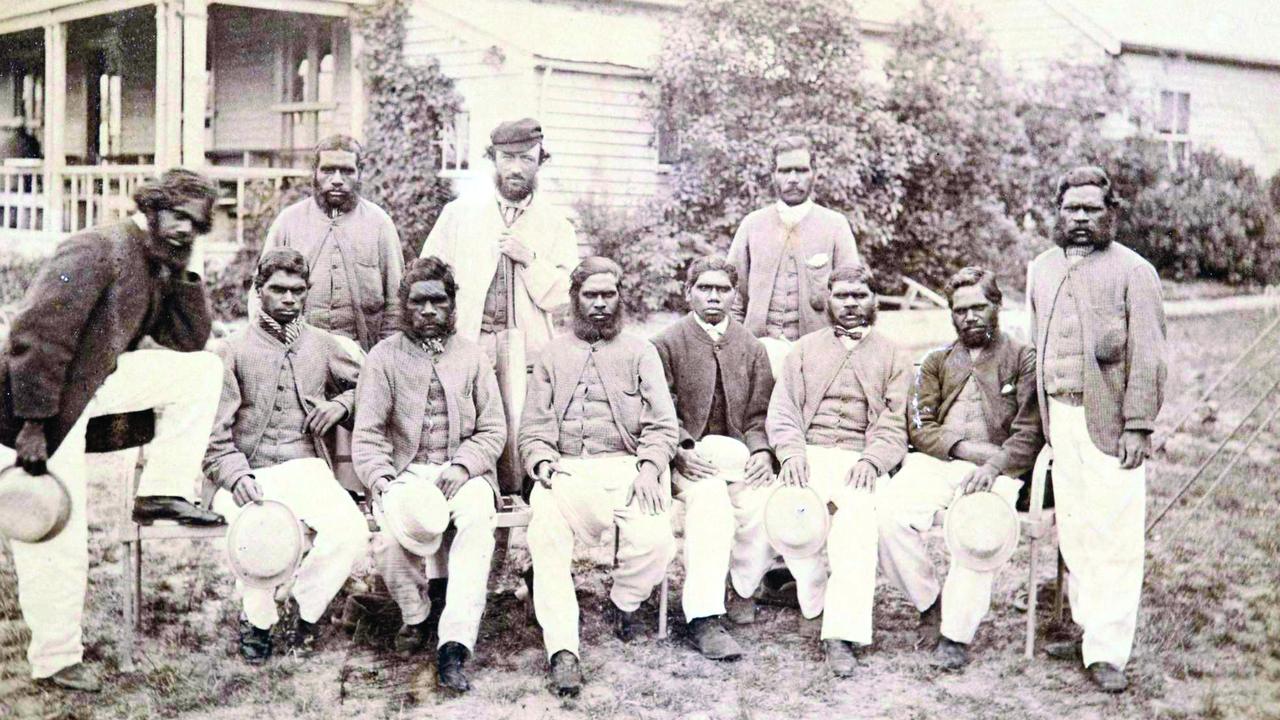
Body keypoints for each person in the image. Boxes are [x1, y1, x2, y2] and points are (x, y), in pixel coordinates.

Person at [0, 168, 226, 692]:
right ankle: (54, 658)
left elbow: (188, 343)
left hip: (87, 389)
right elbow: (36, 331)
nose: (186, 229)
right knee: (55, 531)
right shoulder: (98, 247)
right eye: (177, 215)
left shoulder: (158, 263)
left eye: (197, 223)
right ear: (151, 207)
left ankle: (162, 491)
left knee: (202, 371)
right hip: (34, 405)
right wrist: (35, 424)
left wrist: (185, 274)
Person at [1026, 166, 1166, 693]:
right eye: (1071, 209)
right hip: (1060, 418)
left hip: (1109, 421)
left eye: (1090, 209)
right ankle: (1087, 630)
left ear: (1111, 213)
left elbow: (1150, 355)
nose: (1080, 219)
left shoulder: (1135, 272)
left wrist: (1138, 425)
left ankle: (1108, 649)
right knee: (1079, 529)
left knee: (1115, 534)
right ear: (1058, 213)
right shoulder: (1041, 268)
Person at [519, 257, 679, 696]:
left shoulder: (640, 352)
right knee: (546, 535)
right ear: (575, 299)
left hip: (626, 467)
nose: (601, 304)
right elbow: (533, 426)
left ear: (620, 298)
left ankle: (622, 602)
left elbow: (664, 424)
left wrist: (649, 468)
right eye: (591, 295)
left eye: (609, 295)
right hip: (566, 470)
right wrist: (543, 463)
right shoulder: (551, 354)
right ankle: (563, 650)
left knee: (657, 540)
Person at [203, 248, 370, 665]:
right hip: (246, 469)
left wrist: (344, 405)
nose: (289, 299)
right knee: (261, 530)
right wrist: (235, 475)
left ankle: (305, 609)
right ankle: (257, 622)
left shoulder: (323, 345)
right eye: (278, 289)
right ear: (259, 291)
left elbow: (376, 385)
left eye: (298, 291)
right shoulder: (233, 349)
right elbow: (213, 435)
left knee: (351, 531)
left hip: (305, 467)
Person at [876, 266, 1043, 672]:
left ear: (997, 306)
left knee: (977, 528)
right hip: (939, 462)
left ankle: (956, 635)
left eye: (979, 307)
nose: (969, 317)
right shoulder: (936, 361)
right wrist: (967, 450)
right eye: (959, 309)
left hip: (999, 470)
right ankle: (929, 602)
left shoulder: (1023, 359)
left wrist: (997, 464)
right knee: (884, 514)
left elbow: (1031, 429)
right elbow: (919, 427)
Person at [352, 257, 505, 693]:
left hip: (462, 470)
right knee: (388, 534)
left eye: (439, 301)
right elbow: (368, 434)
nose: (429, 311)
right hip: (405, 471)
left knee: (478, 520)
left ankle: (454, 643)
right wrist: (381, 479)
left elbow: (493, 428)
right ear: (405, 306)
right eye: (419, 302)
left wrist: (464, 465)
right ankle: (416, 613)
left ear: (452, 304)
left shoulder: (471, 356)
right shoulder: (383, 359)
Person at [766, 264, 910, 678]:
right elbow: (783, 411)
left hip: (859, 457)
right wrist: (791, 454)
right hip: (808, 453)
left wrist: (872, 460)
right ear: (827, 301)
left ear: (874, 300)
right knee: (790, 517)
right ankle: (813, 599)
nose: (851, 304)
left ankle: (840, 634)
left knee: (857, 525)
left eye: (859, 295)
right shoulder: (805, 350)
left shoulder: (893, 354)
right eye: (842, 296)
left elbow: (894, 421)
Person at [650, 256, 776, 660]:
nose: (713, 297)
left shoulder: (751, 347)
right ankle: (703, 617)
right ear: (689, 293)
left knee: (762, 500)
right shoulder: (666, 344)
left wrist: (762, 451)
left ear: (735, 296)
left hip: (738, 457)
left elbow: (761, 413)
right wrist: (681, 448)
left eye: (722, 289)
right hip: (688, 462)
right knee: (712, 504)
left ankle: (741, 588)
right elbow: (657, 410)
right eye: (704, 288)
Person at [420, 118, 580, 359]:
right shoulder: (458, 214)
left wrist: (529, 260)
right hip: (466, 344)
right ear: (493, 159)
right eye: (507, 157)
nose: (516, 169)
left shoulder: (558, 225)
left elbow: (563, 297)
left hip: (528, 351)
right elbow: (427, 281)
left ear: (539, 163)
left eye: (526, 158)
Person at [258, 135, 404, 352]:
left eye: (346, 171)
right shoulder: (288, 222)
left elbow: (396, 301)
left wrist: (383, 357)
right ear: (315, 173)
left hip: (363, 355)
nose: (337, 179)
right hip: (299, 354)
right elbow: (260, 293)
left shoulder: (379, 223)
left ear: (359, 174)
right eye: (328, 170)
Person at [727, 134, 859, 371]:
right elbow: (733, 295)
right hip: (758, 355)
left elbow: (853, 297)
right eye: (785, 171)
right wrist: (736, 347)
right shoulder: (752, 224)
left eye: (801, 170)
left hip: (818, 356)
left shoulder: (835, 225)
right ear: (773, 175)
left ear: (814, 173)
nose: (793, 179)